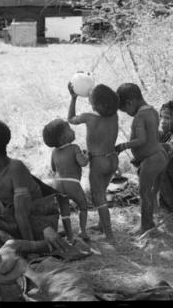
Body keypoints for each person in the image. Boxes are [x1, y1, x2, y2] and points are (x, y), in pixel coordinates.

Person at [0, 119, 73, 250]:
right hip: (6, 229)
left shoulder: (15, 168)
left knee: (12, 246)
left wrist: (31, 249)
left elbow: (22, 215)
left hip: (30, 228)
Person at [67, 82, 119, 241]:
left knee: (98, 198)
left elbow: (70, 119)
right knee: (102, 192)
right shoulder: (114, 116)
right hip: (113, 159)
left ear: (96, 104)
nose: (88, 96)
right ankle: (101, 225)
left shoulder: (88, 117)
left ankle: (109, 235)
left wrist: (73, 98)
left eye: (90, 96)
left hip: (99, 161)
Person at [115, 83, 169, 234]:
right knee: (153, 192)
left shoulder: (139, 117)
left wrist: (123, 146)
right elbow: (154, 135)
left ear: (130, 103)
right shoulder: (152, 111)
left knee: (144, 193)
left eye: (126, 110)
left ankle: (146, 226)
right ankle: (153, 219)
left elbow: (142, 140)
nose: (127, 113)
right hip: (161, 156)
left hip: (151, 160)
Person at [43, 119, 90, 241]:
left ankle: (69, 238)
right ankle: (83, 231)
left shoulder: (54, 152)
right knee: (83, 205)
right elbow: (83, 163)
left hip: (57, 183)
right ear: (63, 137)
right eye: (70, 129)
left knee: (64, 212)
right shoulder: (74, 148)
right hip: (72, 183)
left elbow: (53, 168)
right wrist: (87, 155)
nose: (73, 131)